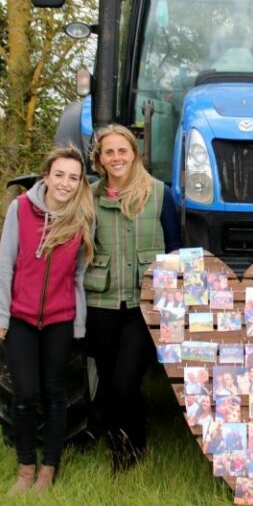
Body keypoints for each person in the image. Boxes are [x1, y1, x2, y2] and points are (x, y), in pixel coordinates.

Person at [0, 146, 94, 495]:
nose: (66, 183)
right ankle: (24, 470)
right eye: (60, 175)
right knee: (25, 394)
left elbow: (78, 276)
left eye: (74, 178)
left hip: (59, 320)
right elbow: (5, 266)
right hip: (20, 318)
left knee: (55, 394)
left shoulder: (81, 218)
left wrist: (77, 325)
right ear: (46, 176)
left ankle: (48, 471)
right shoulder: (20, 210)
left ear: (80, 183)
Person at [85, 124, 180, 471]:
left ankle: (134, 442)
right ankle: (118, 446)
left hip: (144, 304)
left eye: (122, 150)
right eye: (109, 152)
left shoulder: (160, 193)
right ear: (100, 158)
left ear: (134, 153)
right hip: (103, 302)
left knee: (127, 381)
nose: (116, 157)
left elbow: (174, 247)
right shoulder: (90, 197)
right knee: (108, 382)